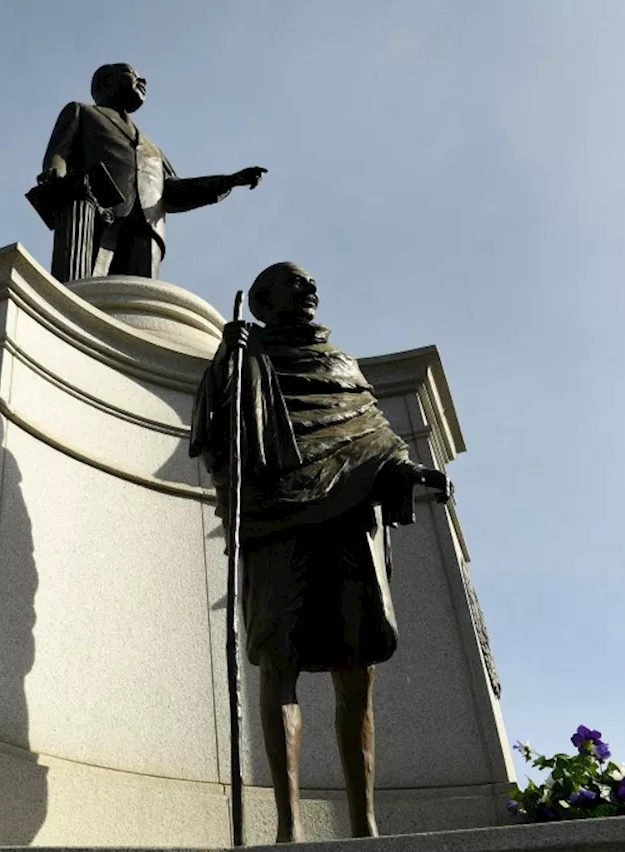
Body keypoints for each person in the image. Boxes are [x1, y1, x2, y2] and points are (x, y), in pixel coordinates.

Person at [189, 264, 451, 841]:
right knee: (278, 664)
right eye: (293, 283)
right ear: (262, 301)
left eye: (310, 283)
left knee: (356, 672)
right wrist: (222, 368)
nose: (309, 290)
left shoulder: (343, 364)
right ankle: (289, 827)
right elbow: (209, 435)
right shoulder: (245, 358)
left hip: (350, 520)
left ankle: (365, 824)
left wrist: (408, 470)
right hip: (277, 520)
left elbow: (375, 437)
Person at [37, 63, 267, 281]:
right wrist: (55, 178)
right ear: (105, 82)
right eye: (131, 74)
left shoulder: (152, 148)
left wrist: (230, 181)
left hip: (148, 225)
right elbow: (59, 153)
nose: (142, 80)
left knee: (139, 301)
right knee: (85, 290)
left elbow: (174, 189)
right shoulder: (82, 112)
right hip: (99, 210)